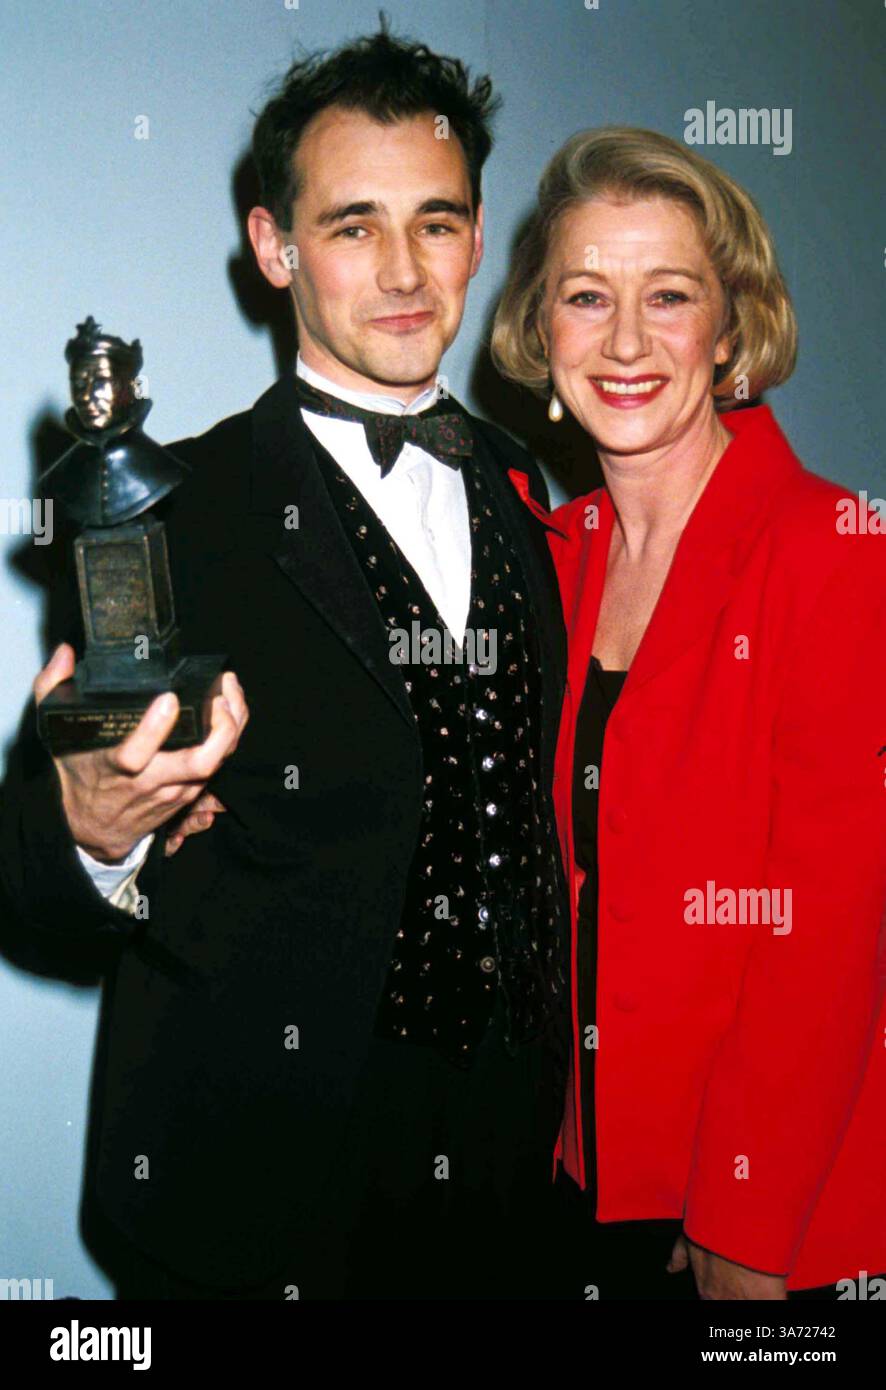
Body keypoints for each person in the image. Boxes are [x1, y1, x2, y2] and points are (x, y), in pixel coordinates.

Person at [0, 24, 571, 1300]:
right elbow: (26, 883)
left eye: (436, 222)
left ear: (478, 239)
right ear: (276, 247)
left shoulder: (543, 500)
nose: (405, 270)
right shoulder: (169, 514)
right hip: (255, 1201)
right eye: (353, 224)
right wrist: (97, 831)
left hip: (510, 1190)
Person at [492, 126, 886, 1299]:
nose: (623, 342)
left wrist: (741, 1225)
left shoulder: (833, 552)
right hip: (590, 1192)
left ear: (731, 328)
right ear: (538, 328)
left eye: (668, 295)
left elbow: (825, 939)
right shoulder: (553, 561)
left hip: (778, 1224)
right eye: (584, 295)